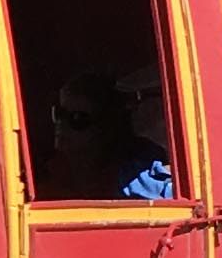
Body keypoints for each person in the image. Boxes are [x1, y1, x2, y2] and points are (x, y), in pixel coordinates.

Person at [40, 69, 173, 199]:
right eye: (58, 114)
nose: (61, 124)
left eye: (77, 118)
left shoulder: (133, 171)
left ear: (106, 126)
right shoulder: (46, 174)